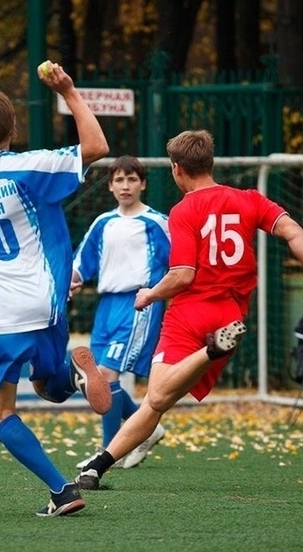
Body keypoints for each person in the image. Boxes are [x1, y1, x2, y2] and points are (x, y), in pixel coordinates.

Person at [75, 129, 303, 489]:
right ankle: (98, 467)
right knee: (157, 399)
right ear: (210, 163)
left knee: (157, 397)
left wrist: (150, 295)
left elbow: (183, 275)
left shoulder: (184, 210)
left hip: (189, 314)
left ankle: (208, 351)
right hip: (229, 315)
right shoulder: (248, 199)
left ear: (177, 168)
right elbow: (292, 230)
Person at [0, 61, 112, 517]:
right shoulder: (29, 167)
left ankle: (62, 491)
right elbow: (97, 146)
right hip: (47, 301)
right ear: (13, 128)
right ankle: (72, 376)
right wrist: (68, 91)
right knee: (47, 384)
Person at [71, 156, 170, 470]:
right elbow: (81, 263)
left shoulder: (157, 222)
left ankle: (108, 453)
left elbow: (179, 263)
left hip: (139, 303)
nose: (125, 186)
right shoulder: (103, 223)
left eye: (131, 179)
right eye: (119, 180)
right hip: (107, 307)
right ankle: (148, 429)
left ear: (142, 183)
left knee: (108, 376)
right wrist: (69, 283)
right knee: (100, 380)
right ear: (111, 185)